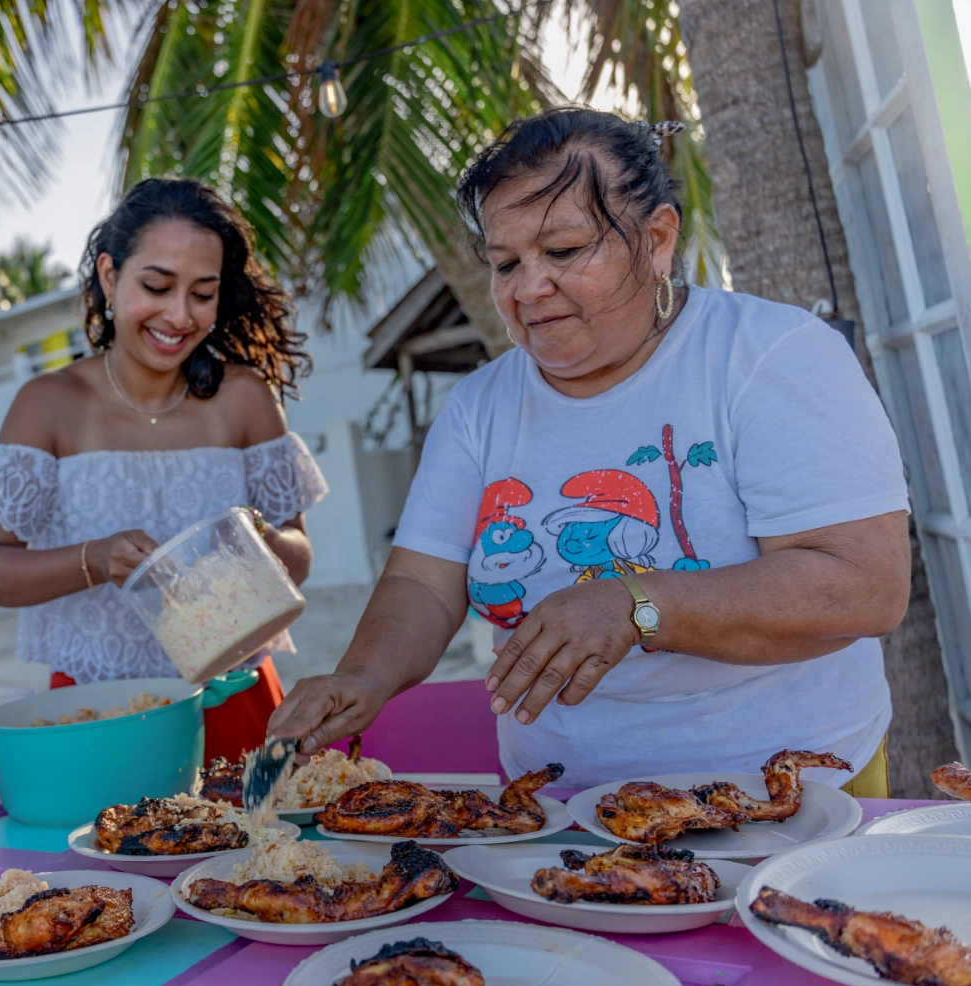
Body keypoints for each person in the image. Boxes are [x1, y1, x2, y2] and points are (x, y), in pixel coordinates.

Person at [269, 108, 911, 795]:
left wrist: (634, 603)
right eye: (505, 263)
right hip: (560, 808)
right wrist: (363, 676)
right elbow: (424, 581)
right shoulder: (479, 406)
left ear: (657, 239)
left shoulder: (768, 356)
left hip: (788, 790)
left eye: (564, 250)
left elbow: (863, 585)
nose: (528, 286)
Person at [0, 178, 328, 760]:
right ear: (109, 276)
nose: (178, 316)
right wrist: (95, 559)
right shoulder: (48, 404)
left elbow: (299, 557)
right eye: (156, 286)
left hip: (236, 702)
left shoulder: (245, 399)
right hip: (98, 714)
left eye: (202, 294)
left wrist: (259, 541)